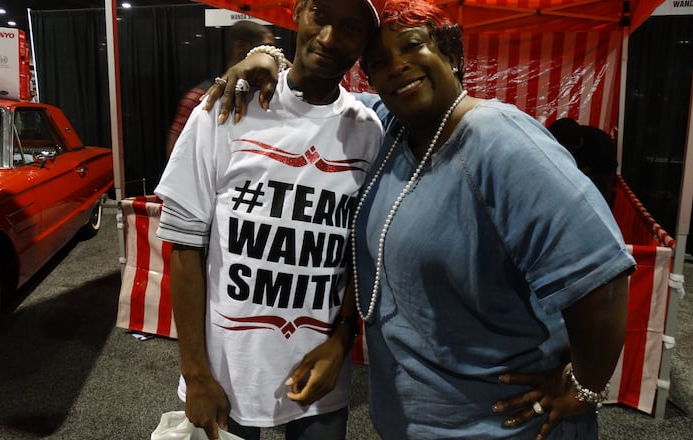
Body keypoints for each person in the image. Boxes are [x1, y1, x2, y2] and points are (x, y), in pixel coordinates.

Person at [211, 1, 635, 438]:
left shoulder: (501, 141)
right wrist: (266, 58)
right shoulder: (389, 129)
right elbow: (313, 94)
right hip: (417, 420)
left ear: (450, 53)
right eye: (379, 62)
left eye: (413, 46)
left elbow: (600, 275)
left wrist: (584, 385)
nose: (397, 66)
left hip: (499, 424)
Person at [153, 1, 386, 439]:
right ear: (298, 11)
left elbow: (360, 253)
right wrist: (196, 373)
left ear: (364, 44)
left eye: (351, 27)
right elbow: (185, 245)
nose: (330, 37)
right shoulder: (228, 105)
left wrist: (343, 340)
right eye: (320, 14)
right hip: (226, 373)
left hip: (320, 377)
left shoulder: (369, 130)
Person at [165, 20, 275, 158]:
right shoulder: (199, 96)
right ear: (240, 48)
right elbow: (176, 154)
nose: (272, 55)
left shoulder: (266, 94)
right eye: (267, 48)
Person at [547, 118, 618, 206]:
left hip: (602, 169)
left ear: (575, 146)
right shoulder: (563, 134)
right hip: (585, 165)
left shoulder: (601, 145)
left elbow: (605, 181)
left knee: (600, 200)